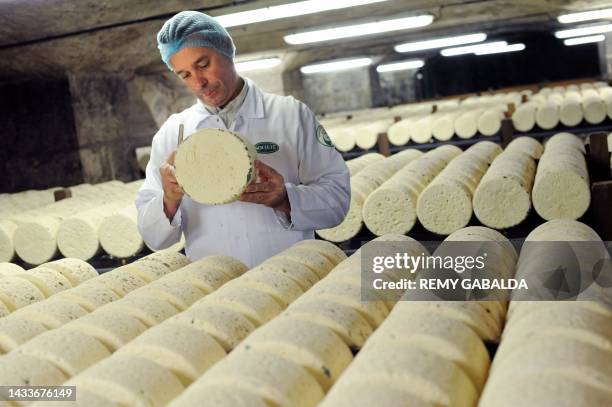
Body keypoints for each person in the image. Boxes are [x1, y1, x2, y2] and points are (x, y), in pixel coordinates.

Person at [135, 10, 350, 267]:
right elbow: (153, 238)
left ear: (226, 50)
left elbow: (337, 200)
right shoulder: (173, 134)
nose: (198, 83)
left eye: (203, 65)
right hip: (215, 287)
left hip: (292, 277)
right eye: (185, 75)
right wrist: (169, 200)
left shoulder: (290, 114)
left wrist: (285, 199)